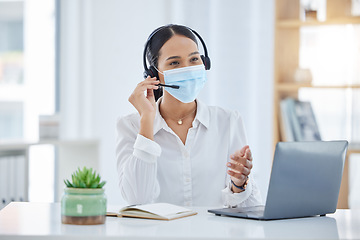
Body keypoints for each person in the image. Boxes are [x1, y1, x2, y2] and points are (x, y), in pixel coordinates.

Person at [116, 24, 262, 207]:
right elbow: (137, 198)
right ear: (154, 74)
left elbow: (251, 208)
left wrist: (239, 184)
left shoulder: (228, 121)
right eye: (175, 63)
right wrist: (146, 120)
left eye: (194, 59)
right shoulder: (130, 126)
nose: (187, 68)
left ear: (204, 63)